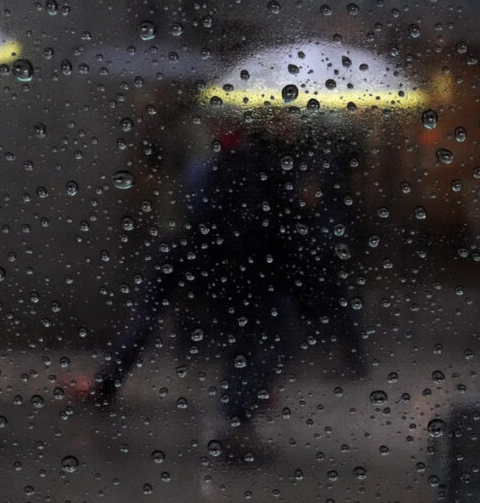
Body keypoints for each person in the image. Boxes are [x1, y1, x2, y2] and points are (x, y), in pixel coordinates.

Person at [90, 121, 365, 448]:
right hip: (232, 264)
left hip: (217, 260)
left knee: (251, 339)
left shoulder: (243, 163)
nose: (288, 129)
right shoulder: (243, 164)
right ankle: (237, 417)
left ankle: (237, 409)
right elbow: (247, 220)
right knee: (260, 340)